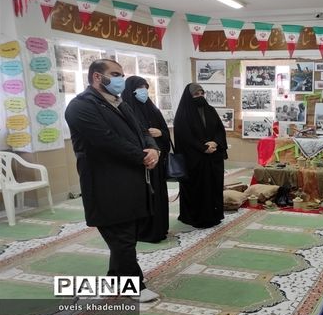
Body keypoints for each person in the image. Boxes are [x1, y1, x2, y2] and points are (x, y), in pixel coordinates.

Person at [65, 59, 161, 302]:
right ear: (97, 77)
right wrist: (142, 156)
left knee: (126, 234)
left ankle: (115, 278)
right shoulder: (80, 107)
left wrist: (153, 149)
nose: (120, 79)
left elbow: (142, 131)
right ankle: (133, 287)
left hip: (130, 180)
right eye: (116, 74)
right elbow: (106, 141)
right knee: (122, 237)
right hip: (105, 183)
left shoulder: (120, 104)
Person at [121, 76, 170, 243]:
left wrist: (161, 133)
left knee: (158, 195)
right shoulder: (125, 109)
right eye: (139, 87)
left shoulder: (152, 108)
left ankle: (160, 228)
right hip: (140, 163)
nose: (143, 91)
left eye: (145, 87)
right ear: (130, 90)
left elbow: (165, 131)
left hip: (157, 161)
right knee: (143, 197)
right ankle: (144, 231)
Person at [174, 83, 228, 228]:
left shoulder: (210, 110)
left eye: (202, 93)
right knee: (197, 189)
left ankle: (214, 216)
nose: (200, 97)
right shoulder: (183, 114)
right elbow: (185, 137)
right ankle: (194, 217)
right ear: (189, 97)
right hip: (194, 159)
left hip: (212, 157)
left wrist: (215, 143)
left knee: (213, 187)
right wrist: (203, 148)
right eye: (196, 94)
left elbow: (219, 130)